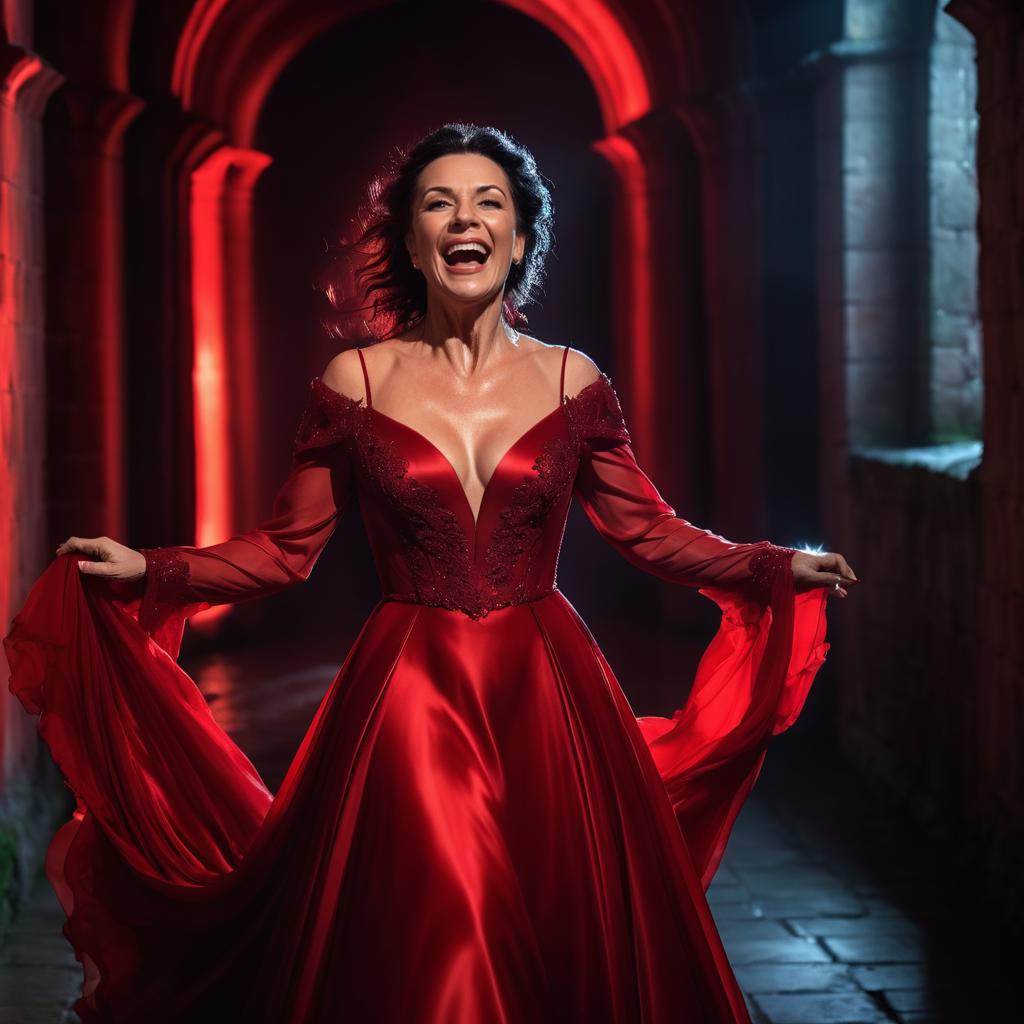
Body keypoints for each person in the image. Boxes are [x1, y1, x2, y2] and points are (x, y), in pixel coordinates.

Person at [6, 123, 854, 1023]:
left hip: (551, 691)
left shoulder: (573, 381)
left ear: (520, 237)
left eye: (489, 201)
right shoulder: (357, 380)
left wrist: (768, 565)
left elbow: (648, 533)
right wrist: (153, 567)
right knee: (443, 911)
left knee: (560, 920)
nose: (465, 218)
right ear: (411, 240)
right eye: (438, 202)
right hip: (409, 692)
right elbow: (285, 550)